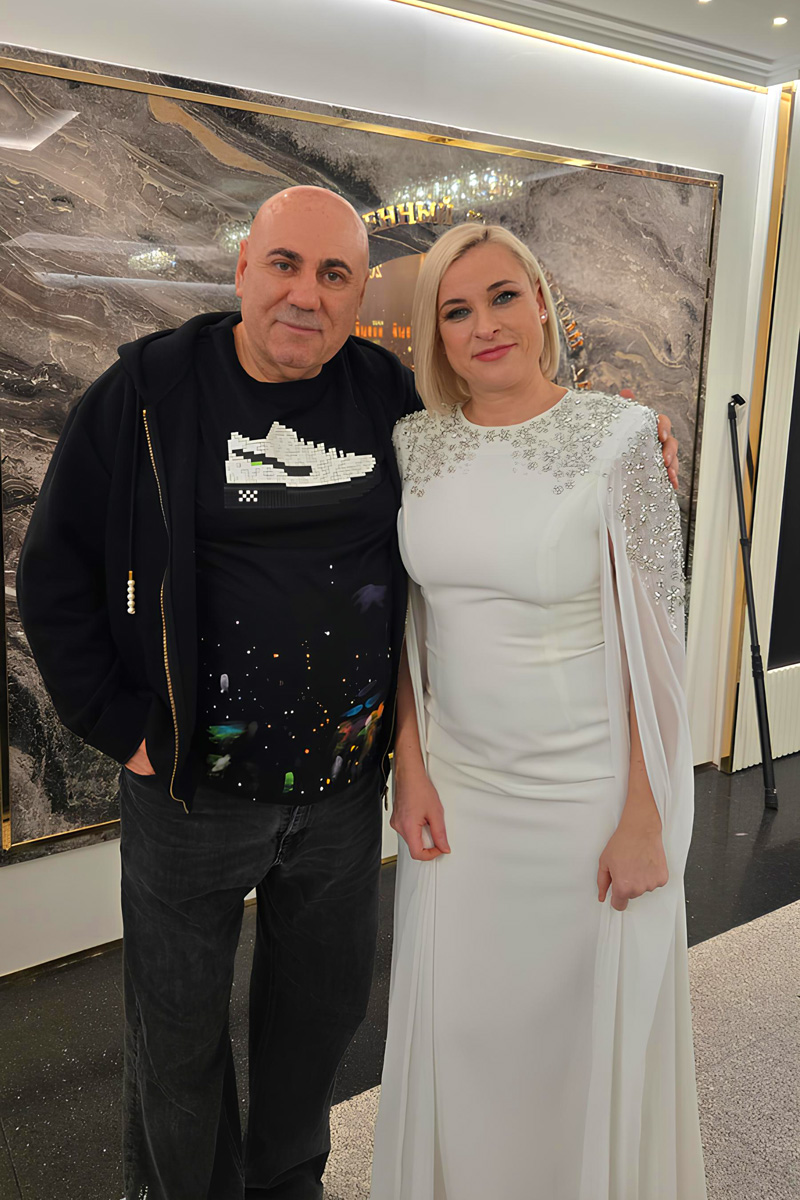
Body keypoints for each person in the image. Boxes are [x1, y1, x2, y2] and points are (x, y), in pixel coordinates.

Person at [15, 187, 679, 1200]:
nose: (306, 295)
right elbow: (53, 573)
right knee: (177, 1046)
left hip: (337, 802)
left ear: (360, 295)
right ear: (244, 265)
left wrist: (631, 442)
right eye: (285, 264)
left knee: (314, 1033)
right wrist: (122, 729)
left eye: (335, 275)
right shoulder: (148, 393)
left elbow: (506, 441)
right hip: (190, 794)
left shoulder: (385, 400)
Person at [370, 224, 705, 1200]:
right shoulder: (414, 444)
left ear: (543, 305)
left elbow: (659, 649)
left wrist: (645, 815)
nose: (484, 325)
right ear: (435, 334)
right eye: (457, 310)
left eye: (503, 297)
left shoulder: (623, 440)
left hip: (586, 799)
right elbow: (406, 623)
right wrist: (408, 764)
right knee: (465, 1036)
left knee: (573, 1046)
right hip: (460, 798)